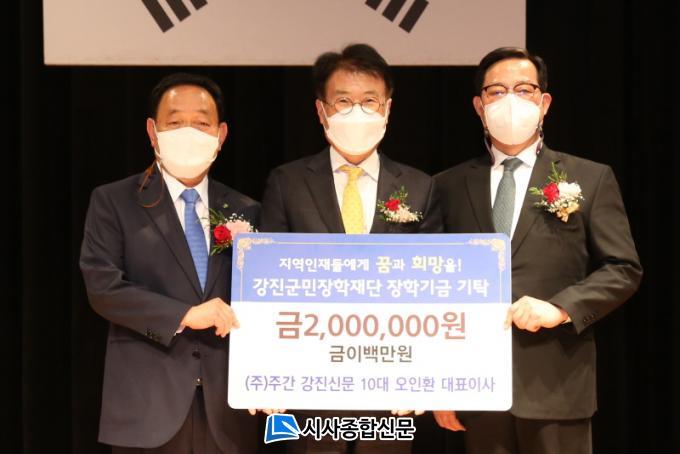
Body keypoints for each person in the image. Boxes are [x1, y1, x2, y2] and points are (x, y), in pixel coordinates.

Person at [432, 47, 643, 454]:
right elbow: (434, 286)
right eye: (496, 92)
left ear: (544, 103)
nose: (510, 100)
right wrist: (440, 383)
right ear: (479, 106)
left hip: (557, 384)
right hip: (476, 387)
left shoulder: (589, 178)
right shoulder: (447, 185)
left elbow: (623, 268)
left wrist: (561, 308)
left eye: (524, 89)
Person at [260, 43, 443, 453]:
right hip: (309, 385)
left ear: (387, 109)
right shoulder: (287, 183)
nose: (356, 112)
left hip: (393, 386)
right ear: (321, 111)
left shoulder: (420, 186)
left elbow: (433, 288)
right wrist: (269, 371)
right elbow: (266, 282)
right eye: (343, 101)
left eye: (369, 101)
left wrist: (425, 375)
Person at [79, 73, 259, 453]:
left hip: (228, 412)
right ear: (152, 131)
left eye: (202, 123)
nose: (188, 133)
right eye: (175, 123)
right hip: (147, 407)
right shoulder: (114, 201)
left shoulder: (247, 210)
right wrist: (185, 315)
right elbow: (103, 288)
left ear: (221, 134)